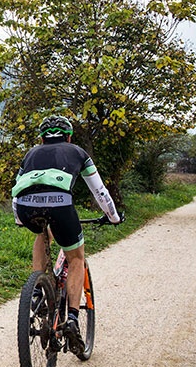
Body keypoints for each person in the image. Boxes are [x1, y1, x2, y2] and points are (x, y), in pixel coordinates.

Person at [11, 115, 123, 354]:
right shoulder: (78, 152)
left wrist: (20, 219)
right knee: (76, 258)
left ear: (41, 138)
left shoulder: (30, 154)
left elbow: (16, 191)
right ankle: (72, 318)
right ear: (69, 136)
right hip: (60, 205)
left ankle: (37, 291)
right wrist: (113, 217)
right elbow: (100, 192)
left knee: (42, 234)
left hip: (26, 206)